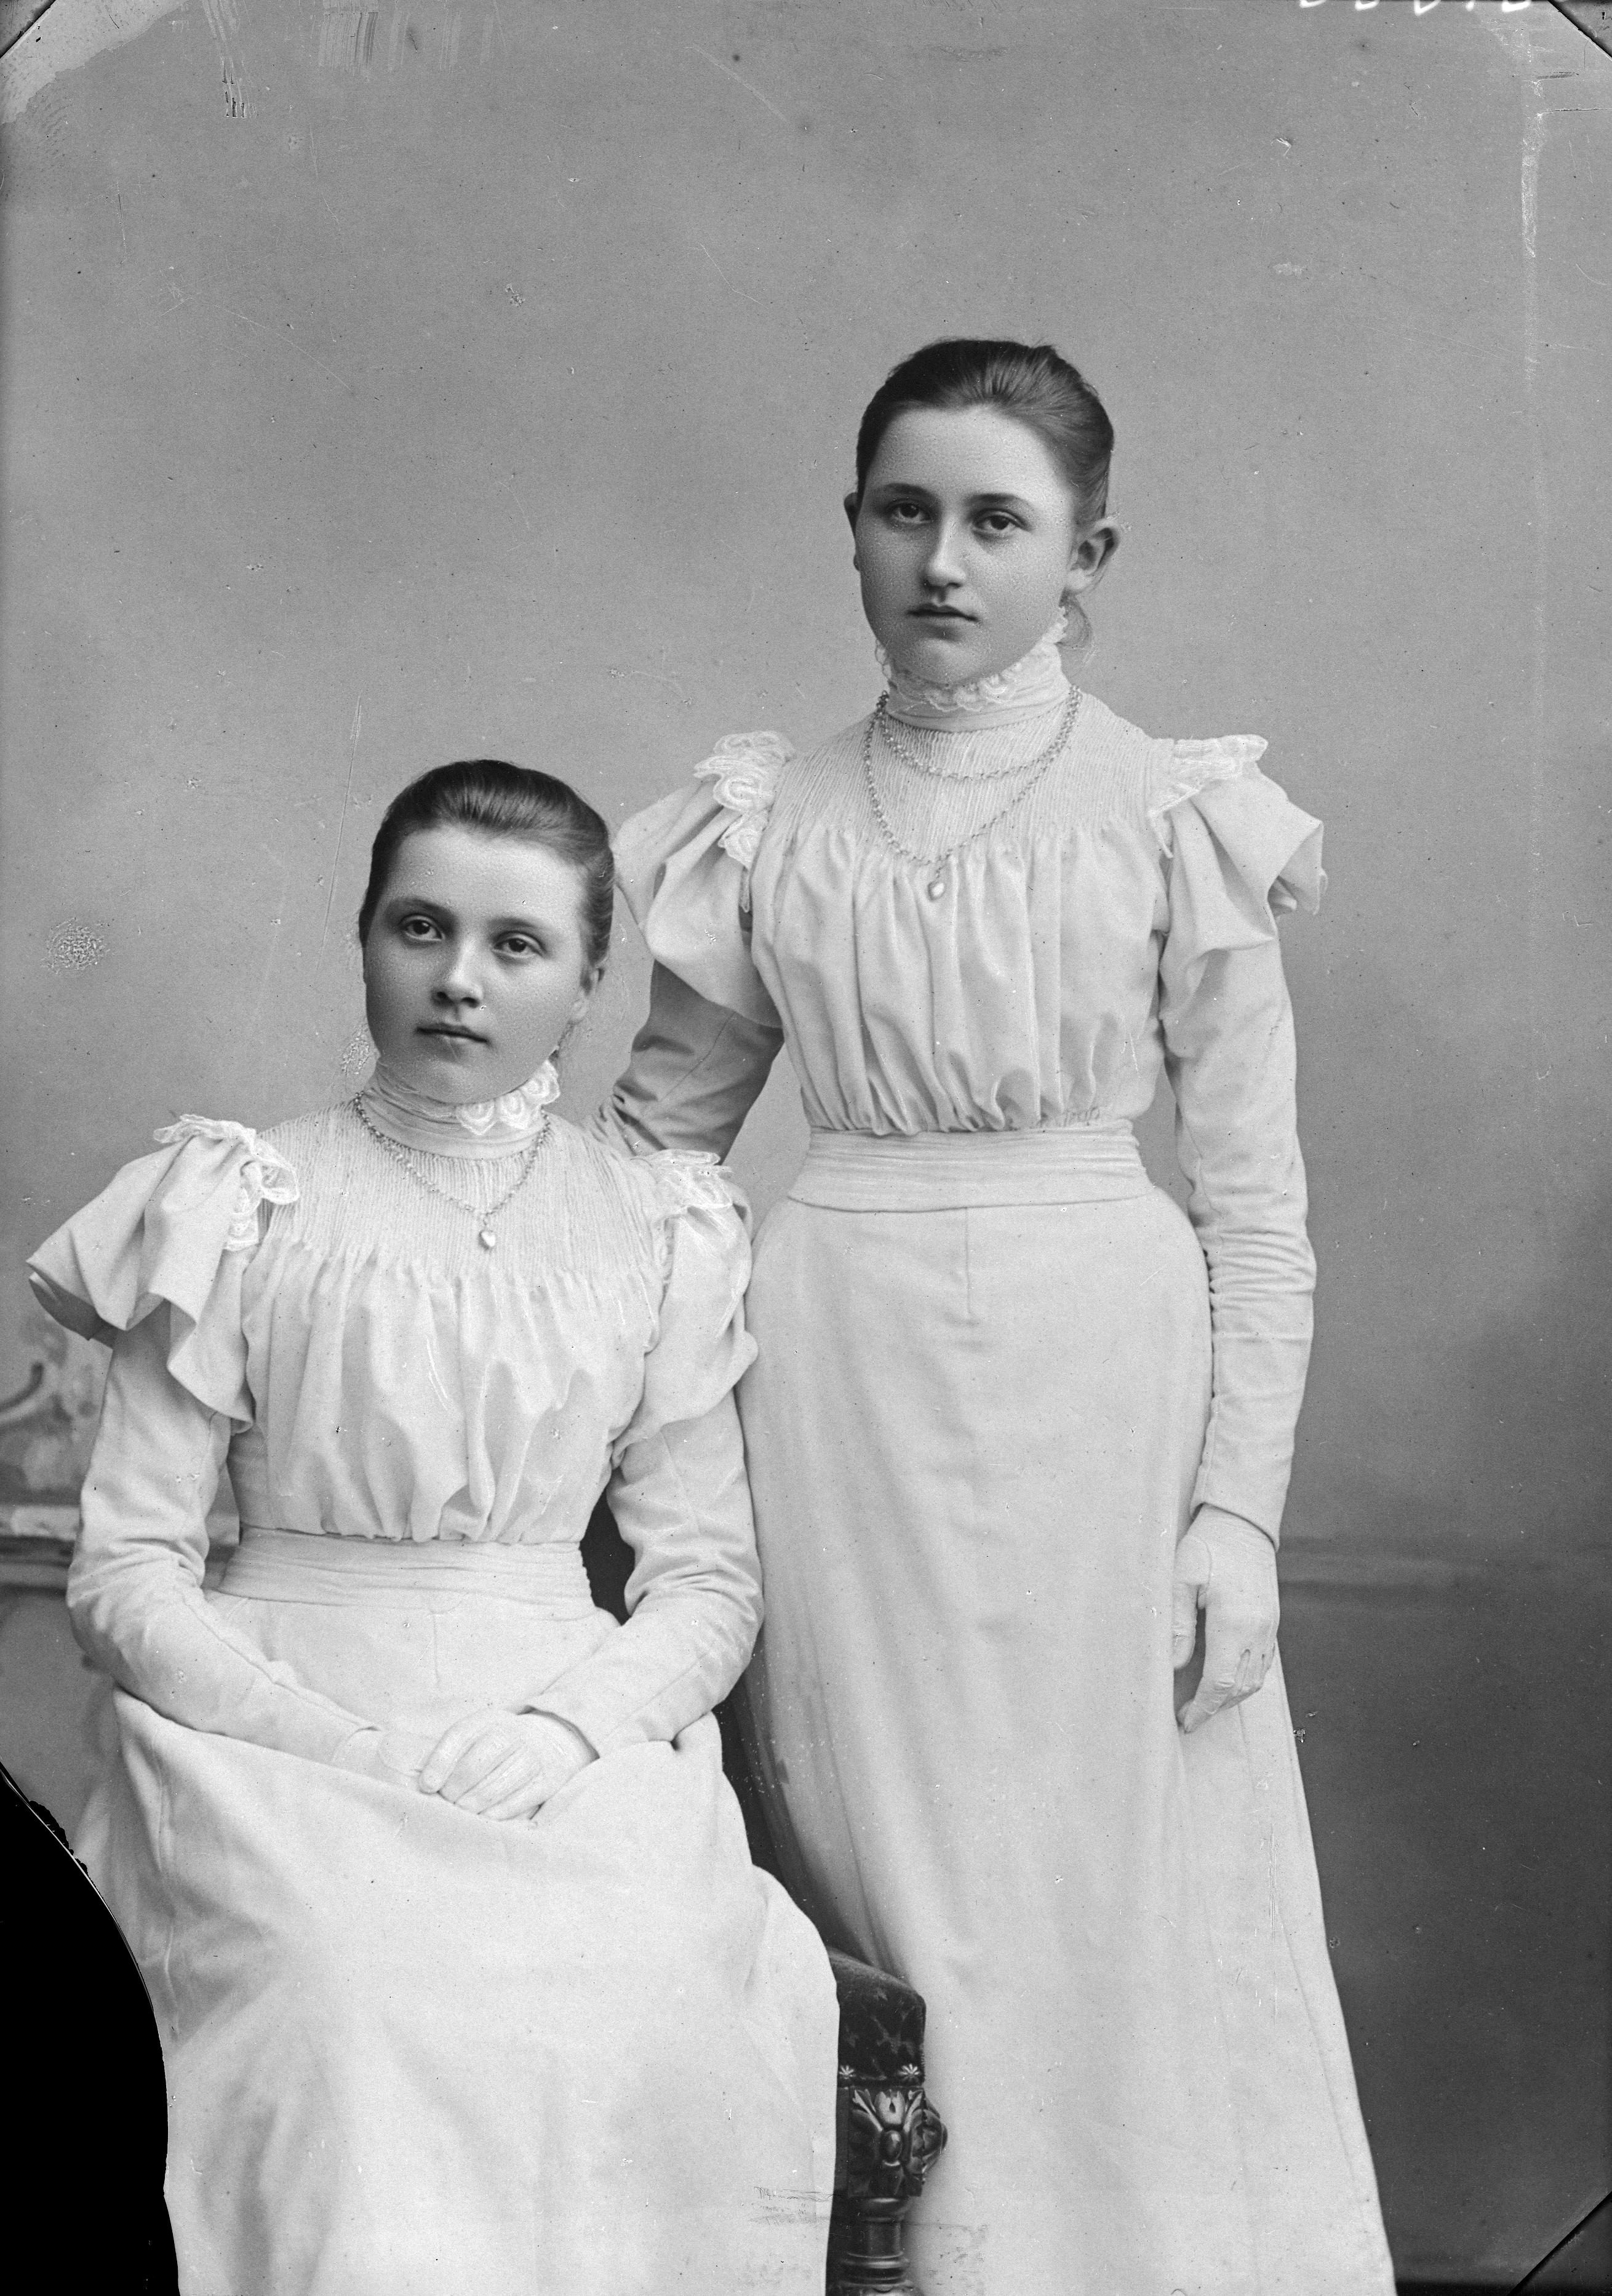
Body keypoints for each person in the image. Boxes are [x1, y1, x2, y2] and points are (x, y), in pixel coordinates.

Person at [595, 339, 1397, 2293]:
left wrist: (1236, 1511)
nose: (942, 562)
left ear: (1082, 554)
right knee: (880, 1862)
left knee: (1108, 1872)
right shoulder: (767, 817)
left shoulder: (1173, 813)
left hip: (1104, 1378)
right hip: (834, 1374)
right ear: (852, 531)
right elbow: (653, 1162)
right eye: (903, 512)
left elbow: (1256, 1208)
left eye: (995, 522)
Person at [27, 761, 839, 2296]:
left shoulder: (656, 1226)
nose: (459, 979)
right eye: (421, 927)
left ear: (588, 983)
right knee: (348, 1992)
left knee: (648, 1987)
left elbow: (704, 1582)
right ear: (364, 939)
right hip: (270, 1728)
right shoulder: (240, 1198)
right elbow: (126, 1572)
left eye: (516, 945)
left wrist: (565, 1730)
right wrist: (335, 1746)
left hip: (552, 1720)